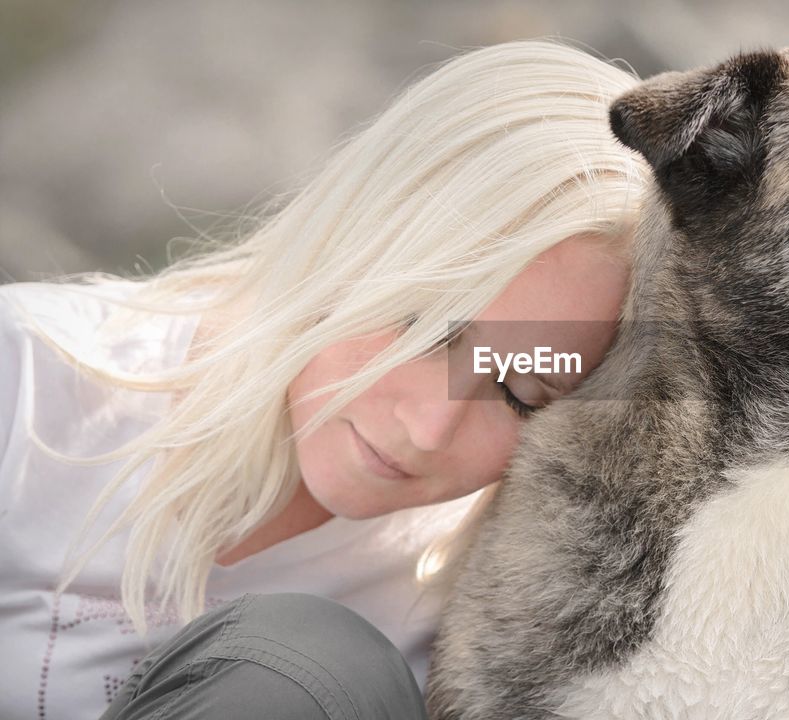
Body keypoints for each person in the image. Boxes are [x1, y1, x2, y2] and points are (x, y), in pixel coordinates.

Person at [0, 39, 649, 719]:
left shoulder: (464, 614)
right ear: (350, 229)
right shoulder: (29, 386)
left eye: (521, 395)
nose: (429, 427)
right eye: (423, 326)